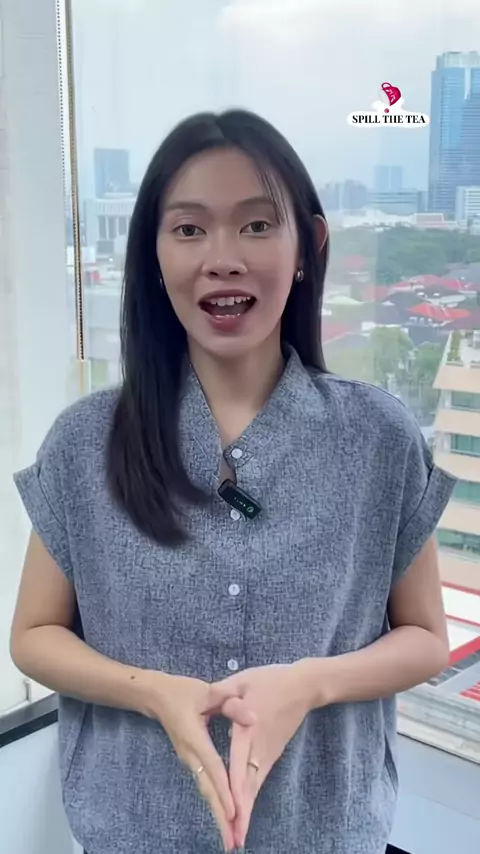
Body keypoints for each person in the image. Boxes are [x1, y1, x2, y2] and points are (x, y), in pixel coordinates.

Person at [10, 109, 454, 854]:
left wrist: (309, 683)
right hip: (133, 830)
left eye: (255, 225)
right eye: (189, 229)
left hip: (324, 831)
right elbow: (33, 635)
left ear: (308, 247)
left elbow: (426, 638)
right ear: (153, 254)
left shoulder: (378, 437)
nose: (222, 258)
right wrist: (153, 692)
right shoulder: (86, 441)